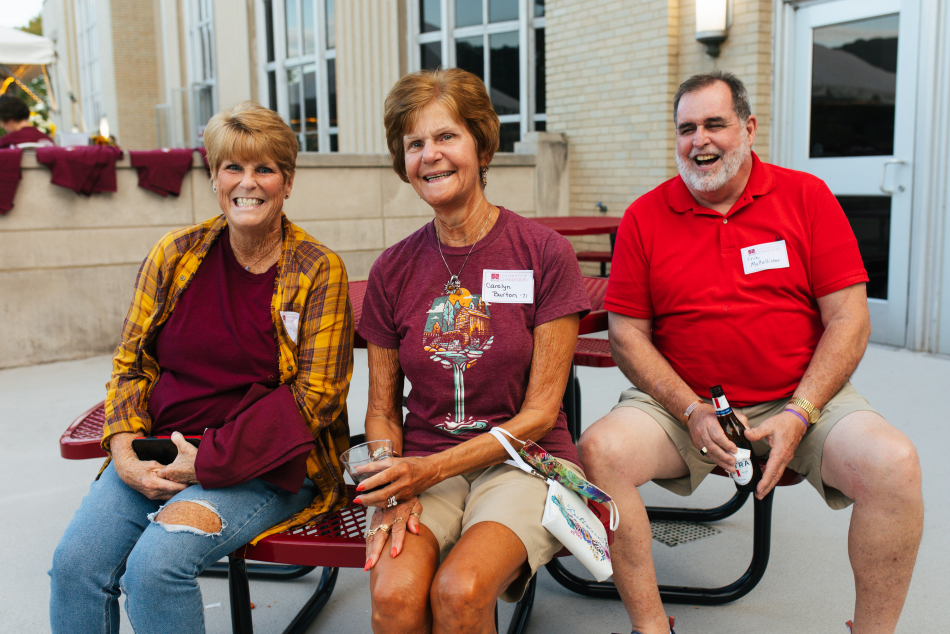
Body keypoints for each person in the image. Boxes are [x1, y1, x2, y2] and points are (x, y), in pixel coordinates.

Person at [578, 71, 923, 634]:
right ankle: (651, 627)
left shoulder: (806, 197)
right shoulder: (645, 216)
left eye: (714, 124)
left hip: (802, 398)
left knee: (894, 464)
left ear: (748, 128)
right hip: (683, 405)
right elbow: (627, 336)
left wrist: (801, 411)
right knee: (599, 453)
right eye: (686, 128)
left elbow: (849, 318)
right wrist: (691, 409)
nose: (699, 140)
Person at [49, 101, 353, 634]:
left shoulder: (317, 269)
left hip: (263, 465)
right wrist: (122, 451)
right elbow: (131, 364)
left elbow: (317, 400)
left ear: (287, 182)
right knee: (75, 566)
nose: (247, 183)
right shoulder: (175, 254)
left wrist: (208, 462)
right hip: (156, 449)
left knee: (154, 570)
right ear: (214, 177)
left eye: (265, 169)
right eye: (233, 167)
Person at [355, 67, 591, 633]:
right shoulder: (392, 269)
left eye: (446, 136)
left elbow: (540, 414)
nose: (430, 155)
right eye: (415, 143)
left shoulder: (544, 254)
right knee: (394, 596)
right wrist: (390, 483)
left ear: (482, 146)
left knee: (459, 592)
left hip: (525, 461)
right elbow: (382, 409)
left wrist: (427, 470)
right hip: (422, 463)